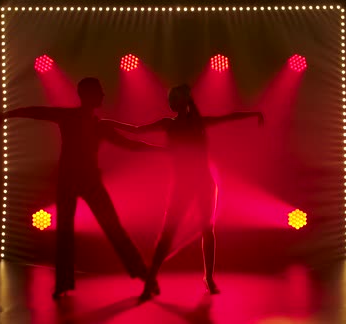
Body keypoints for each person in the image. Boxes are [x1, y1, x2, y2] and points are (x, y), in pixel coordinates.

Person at [0, 77, 161, 299]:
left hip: (79, 180)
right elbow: (36, 111)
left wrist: (160, 150)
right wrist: (5, 116)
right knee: (94, 230)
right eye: (99, 92)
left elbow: (130, 145)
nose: (103, 95)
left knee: (88, 230)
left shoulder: (93, 123)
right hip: (77, 180)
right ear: (89, 95)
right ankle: (138, 276)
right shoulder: (83, 121)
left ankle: (69, 282)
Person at [108, 84, 263, 302]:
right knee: (169, 233)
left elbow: (229, 117)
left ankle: (207, 278)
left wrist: (253, 113)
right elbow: (136, 129)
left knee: (206, 230)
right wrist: (107, 123)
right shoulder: (169, 124)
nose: (172, 103)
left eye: (174, 99)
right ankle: (151, 280)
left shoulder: (197, 122)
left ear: (181, 102)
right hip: (184, 184)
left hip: (203, 183)